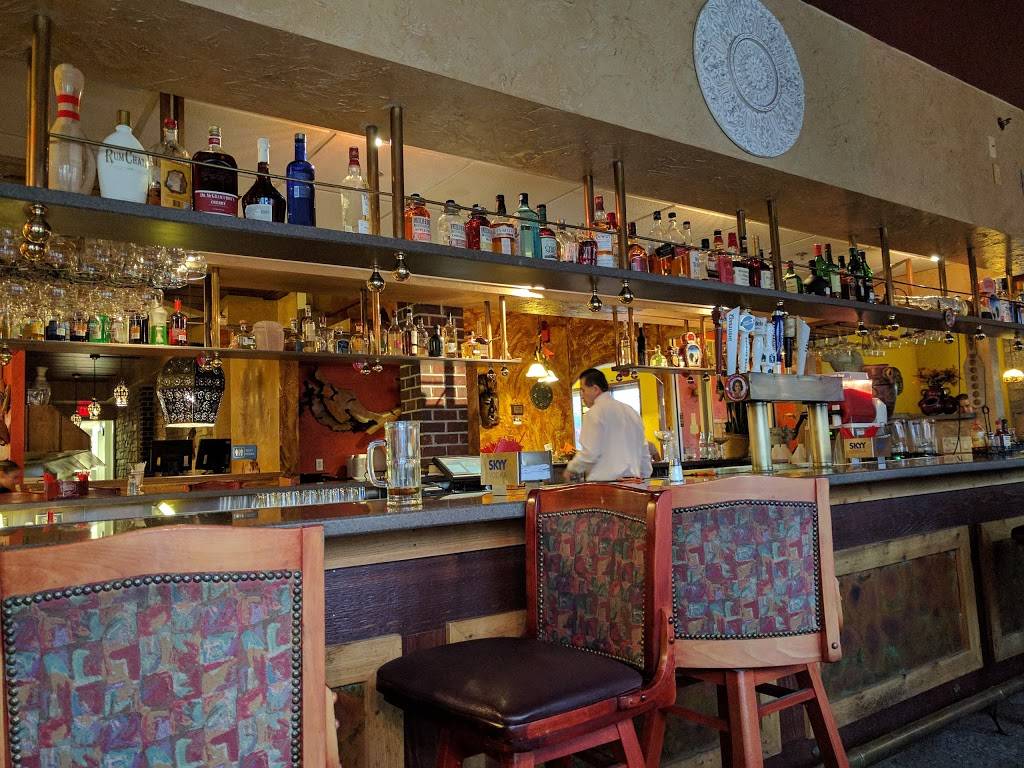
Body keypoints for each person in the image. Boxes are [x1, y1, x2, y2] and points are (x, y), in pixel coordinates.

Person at [564, 369, 653, 482]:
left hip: (606, 486)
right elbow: (644, 451)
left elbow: (590, 453)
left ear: (595, 389)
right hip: (634, 484)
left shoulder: (594, 413)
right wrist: (645, 478)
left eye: (583, 390)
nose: (582, 395)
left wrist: (571, 468)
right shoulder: (631, 412)